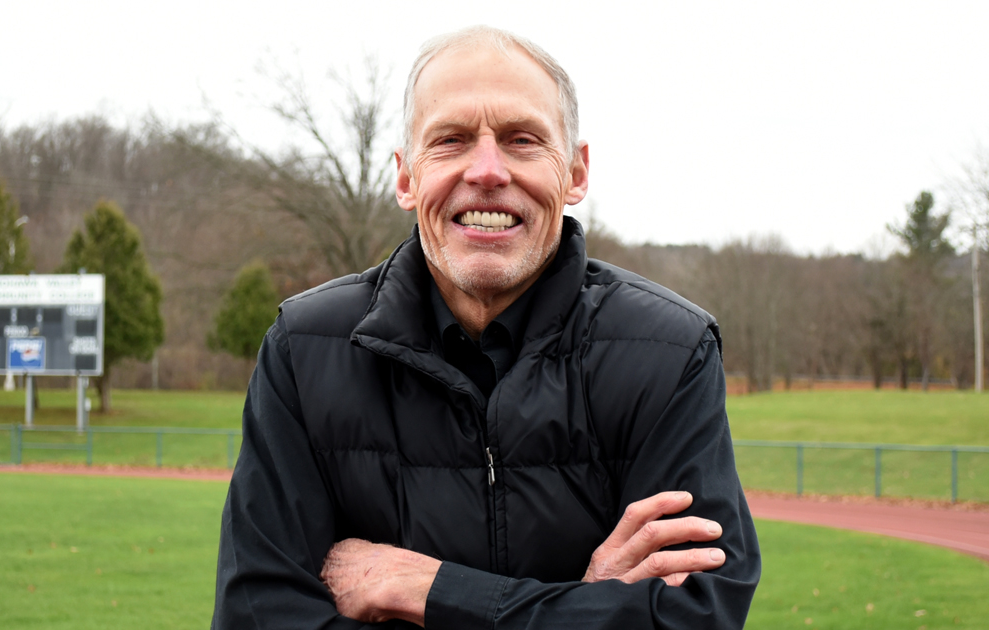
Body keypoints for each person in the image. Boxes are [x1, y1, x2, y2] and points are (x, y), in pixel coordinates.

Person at [212, 25, 760, 629]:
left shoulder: (671, 354)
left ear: (576, 173)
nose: (488, 170)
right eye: (449, 140)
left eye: (523, 139)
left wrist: (428, 590)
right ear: (405, 177)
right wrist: (583, 609)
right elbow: (257, 614)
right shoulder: (304, 348)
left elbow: (695, 618)